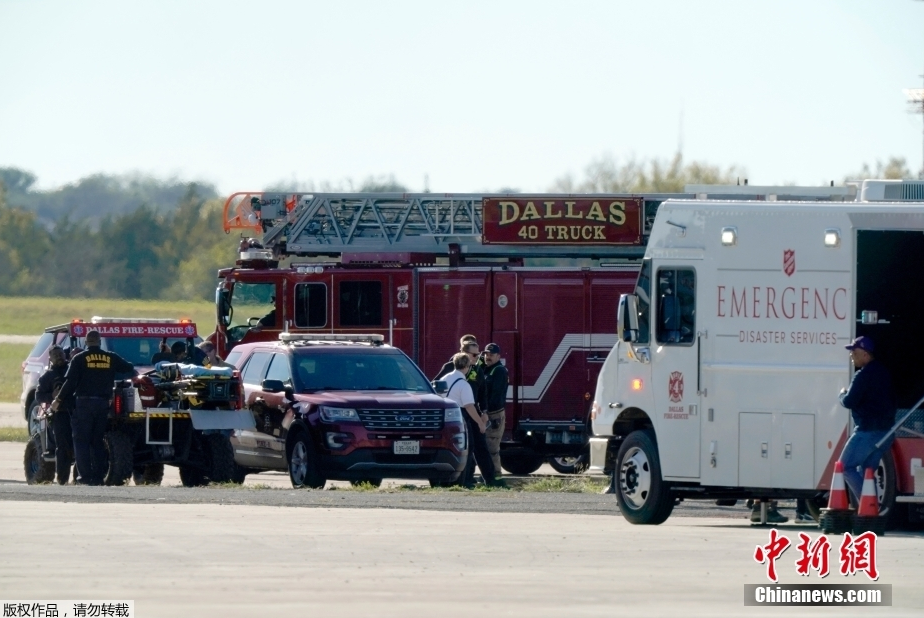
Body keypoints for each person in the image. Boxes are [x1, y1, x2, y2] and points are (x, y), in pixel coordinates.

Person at [52, 329, 134, 486]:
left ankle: (84, 477)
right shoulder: (110, 357)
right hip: (103, 405)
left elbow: (70, 383)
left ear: (86, 341)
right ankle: (97, 477)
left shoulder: (79, 358)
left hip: (84, 405)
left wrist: (58, 400)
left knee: (81, 441)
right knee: (97, 441)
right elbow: (128, 367)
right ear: (100, 340)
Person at [838, 335, 896, 504]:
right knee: (868, 469)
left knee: (845, 466)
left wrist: (841, 394)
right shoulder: (885, 373)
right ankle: (870, 512)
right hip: (886, 433)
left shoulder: (862, 376)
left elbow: (849, 401)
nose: (851, 356)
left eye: (854, 352)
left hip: (866, 431)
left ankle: (869, 504)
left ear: (865, 354)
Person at [442, 352, 499, 487]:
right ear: (467, 366)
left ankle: (451, 480)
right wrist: (480, 423)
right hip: (461, 416)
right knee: (468, 447)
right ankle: (465, 480)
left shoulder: (445, 378)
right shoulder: (464, 385)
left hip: (446, 416)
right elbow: (469, 407)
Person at [36, 346, 76, 484]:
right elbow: (38, 396)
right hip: (59, 415)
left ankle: (78, 479)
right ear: (50, 358)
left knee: (80, 445)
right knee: (62, 448)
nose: (59, 357)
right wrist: (51, 396)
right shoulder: (47, 377)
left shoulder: (72, 369)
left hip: (76, 412)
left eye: (60, 354)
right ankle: (62, 479)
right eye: (55, 355)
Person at [479, 343, 508, 482]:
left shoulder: (499, 371)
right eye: (486, 354)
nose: (487, 357)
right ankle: (488, 475)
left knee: (491, 447)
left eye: (491, 355)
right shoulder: (485, 369)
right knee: (483, 447)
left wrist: (485, 411)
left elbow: (495, 395)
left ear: (498, 356)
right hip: (485, 413)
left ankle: (496, 477)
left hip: (494, 414)